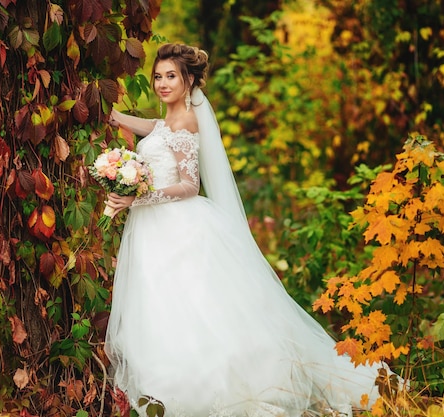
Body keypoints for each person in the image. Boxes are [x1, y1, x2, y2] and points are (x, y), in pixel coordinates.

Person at [104, 43, 387, 417]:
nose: (162, 83)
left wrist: (136, 197)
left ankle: (196, 390)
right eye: (158, 76)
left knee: (187, 306)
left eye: (171, 76)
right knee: (160, 306)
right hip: (152, 228)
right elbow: (155, 130)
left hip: (175, 225)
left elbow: (190, 185)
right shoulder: (168, 121)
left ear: (188, 81)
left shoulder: (187, 120)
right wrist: (115, 116)